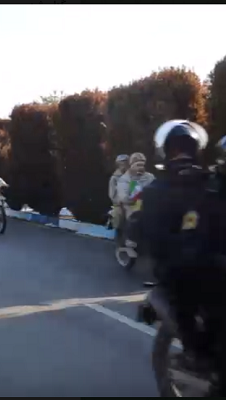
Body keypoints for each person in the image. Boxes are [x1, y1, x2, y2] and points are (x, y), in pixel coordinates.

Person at [134, 120, 226, 390]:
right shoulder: (212, 183)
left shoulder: (156, 190)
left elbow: (141, 232)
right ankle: (201, 359)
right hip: (195, 272)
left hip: (189, 268)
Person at [108, 154, 130, 229]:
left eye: (125, 164)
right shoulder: (114, 178)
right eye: (121, 164)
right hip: (119, 206)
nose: (124, 166)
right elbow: (112, 195)